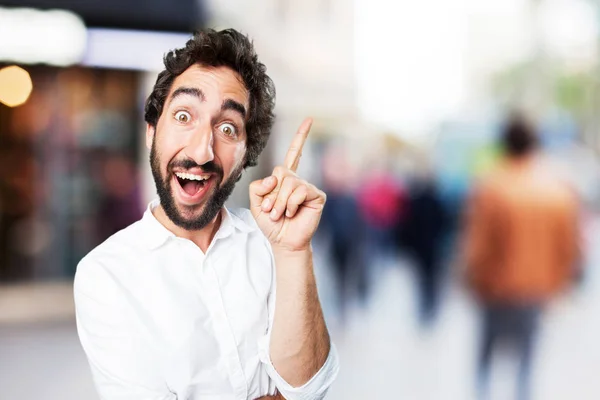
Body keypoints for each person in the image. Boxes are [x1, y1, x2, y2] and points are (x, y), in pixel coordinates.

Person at [74, 29, 339, 400]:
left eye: (227, 127)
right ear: (151, 132)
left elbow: (309, 390)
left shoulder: (275, 246)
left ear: (246, 155)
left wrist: (293, 252)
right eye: (184, 116)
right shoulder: (105, 274)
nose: (201, 151)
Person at [463, 113, 580, 400]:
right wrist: (559, 285)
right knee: (527, 361)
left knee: (486, 358)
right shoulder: (557, 190)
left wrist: (470, 279)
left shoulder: (490, 186)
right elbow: (569, 248)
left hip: (495, 289)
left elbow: (478, 244)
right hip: (536, 290)